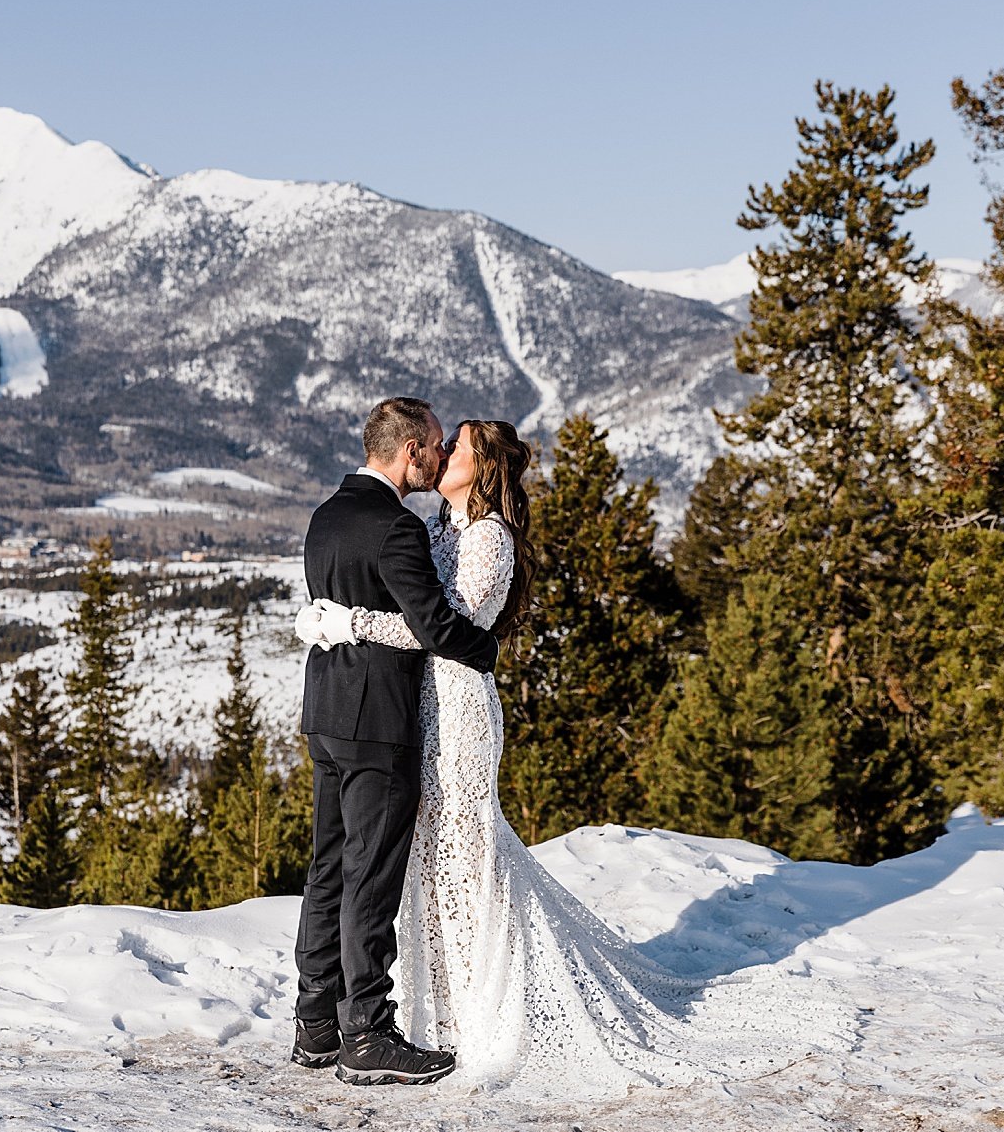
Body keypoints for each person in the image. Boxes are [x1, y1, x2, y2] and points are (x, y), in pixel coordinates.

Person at [297, 418, 860, 1096]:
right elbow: (425, 617)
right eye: (443, 443)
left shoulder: (487, 538)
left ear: (486, 467)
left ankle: (482, 1010)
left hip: (458, 709)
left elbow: (445, 631)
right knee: (425, 859)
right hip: (414, 706)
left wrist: (346, 621)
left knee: (465, 850)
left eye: (460, 446)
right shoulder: (438, 530)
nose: (446, 452)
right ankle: (439, 1006)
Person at [290, 396, 499, 1086]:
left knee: (326, 868)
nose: (439, 458)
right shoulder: (395, 528)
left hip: (323, 713)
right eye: (435, 446)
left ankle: (315, 1021)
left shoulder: (326, 516)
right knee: (370, 877)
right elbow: (438, 626)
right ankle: (368, 1033)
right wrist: (490, 647)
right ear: (409, 451)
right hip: (378, 721)